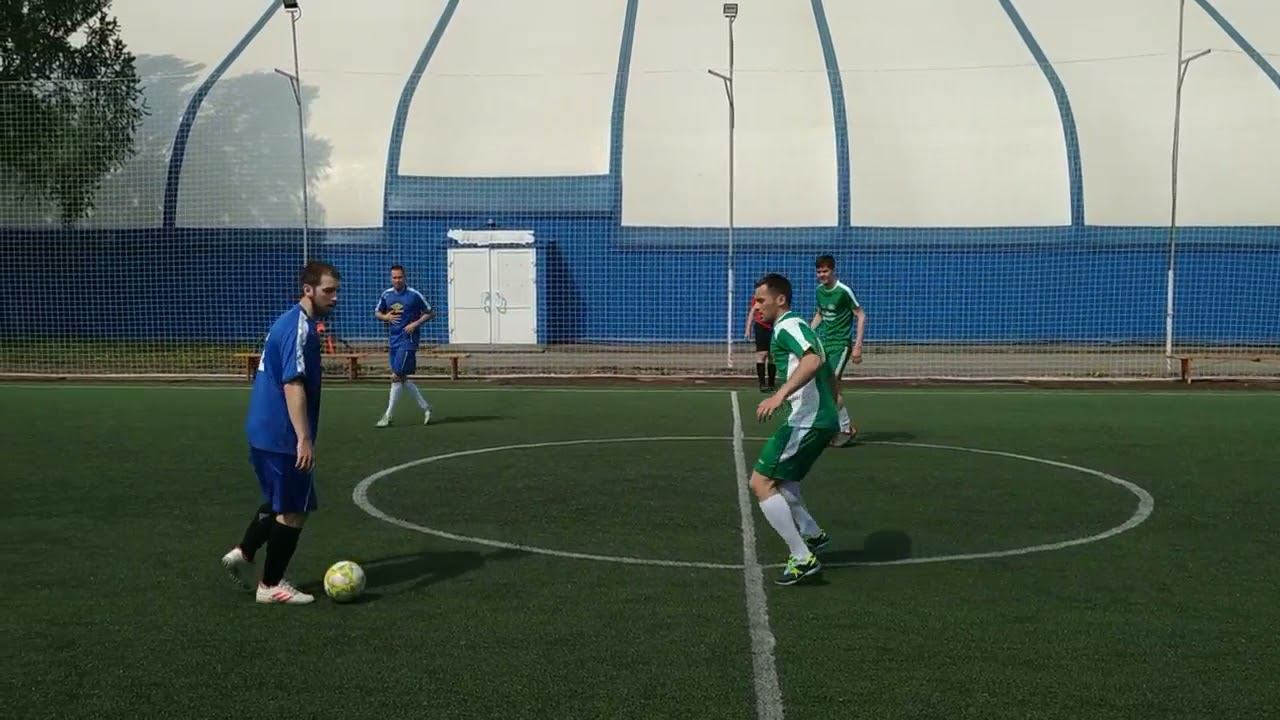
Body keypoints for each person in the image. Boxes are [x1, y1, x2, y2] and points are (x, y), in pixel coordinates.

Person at [221, 260, 341, 605]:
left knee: (281, 500)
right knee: (294, 509)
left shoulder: (287, 321)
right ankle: (270, 585)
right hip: (282, 434)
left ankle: (244, 552)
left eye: (336, 291)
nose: (334, 297)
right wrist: (303, 438)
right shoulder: (299, 328)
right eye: (328, 291)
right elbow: (292, 384)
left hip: (263, 430)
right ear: (308, 290)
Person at [751, 272, 837, 586]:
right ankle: (812, 534)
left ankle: (802, 557)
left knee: (760, 482)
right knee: (783, 482)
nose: (756, 306)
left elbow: (812, 362)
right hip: (819, 418)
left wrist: (779, 395)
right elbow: (827, 370)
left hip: (807, 419)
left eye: (761, 300)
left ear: (780, 299)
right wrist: (835, 414)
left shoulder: (787, 326)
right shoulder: (801, 326)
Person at [810, 254, 866, 447]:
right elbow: (820, 314)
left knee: (829, 384)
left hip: (841, 345)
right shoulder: (819, 291)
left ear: (833, 270)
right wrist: (808, 334)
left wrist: (858, 346)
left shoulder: (843, 291)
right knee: (824, 387)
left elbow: (861, 315)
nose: (822, 275)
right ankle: (838, 427)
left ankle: (845, 428)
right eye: (819, 271)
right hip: (824, 344)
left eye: (825, 271)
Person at [374, 265, 434, 427]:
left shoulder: (414, 295)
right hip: (393, 340)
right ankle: (426, 408)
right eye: (394, 277)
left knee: (396, 376)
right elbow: (377, 312)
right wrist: (385, 317)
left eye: (400, 277)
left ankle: (388, 415)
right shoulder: (386, 295)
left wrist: (415, 324)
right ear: (391, 278)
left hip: (408, 341)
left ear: (404, 277)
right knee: (401, 378)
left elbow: (429, 312)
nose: (397, 280)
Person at [744, 295, 776, 392]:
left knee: (772, 355)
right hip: (761, 327)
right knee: (762, 354)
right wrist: (748, 329)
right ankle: (762, 383)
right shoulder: (759, 297)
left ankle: (771, 383)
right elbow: (753, 311)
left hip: (773, 326)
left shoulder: (776, 296)